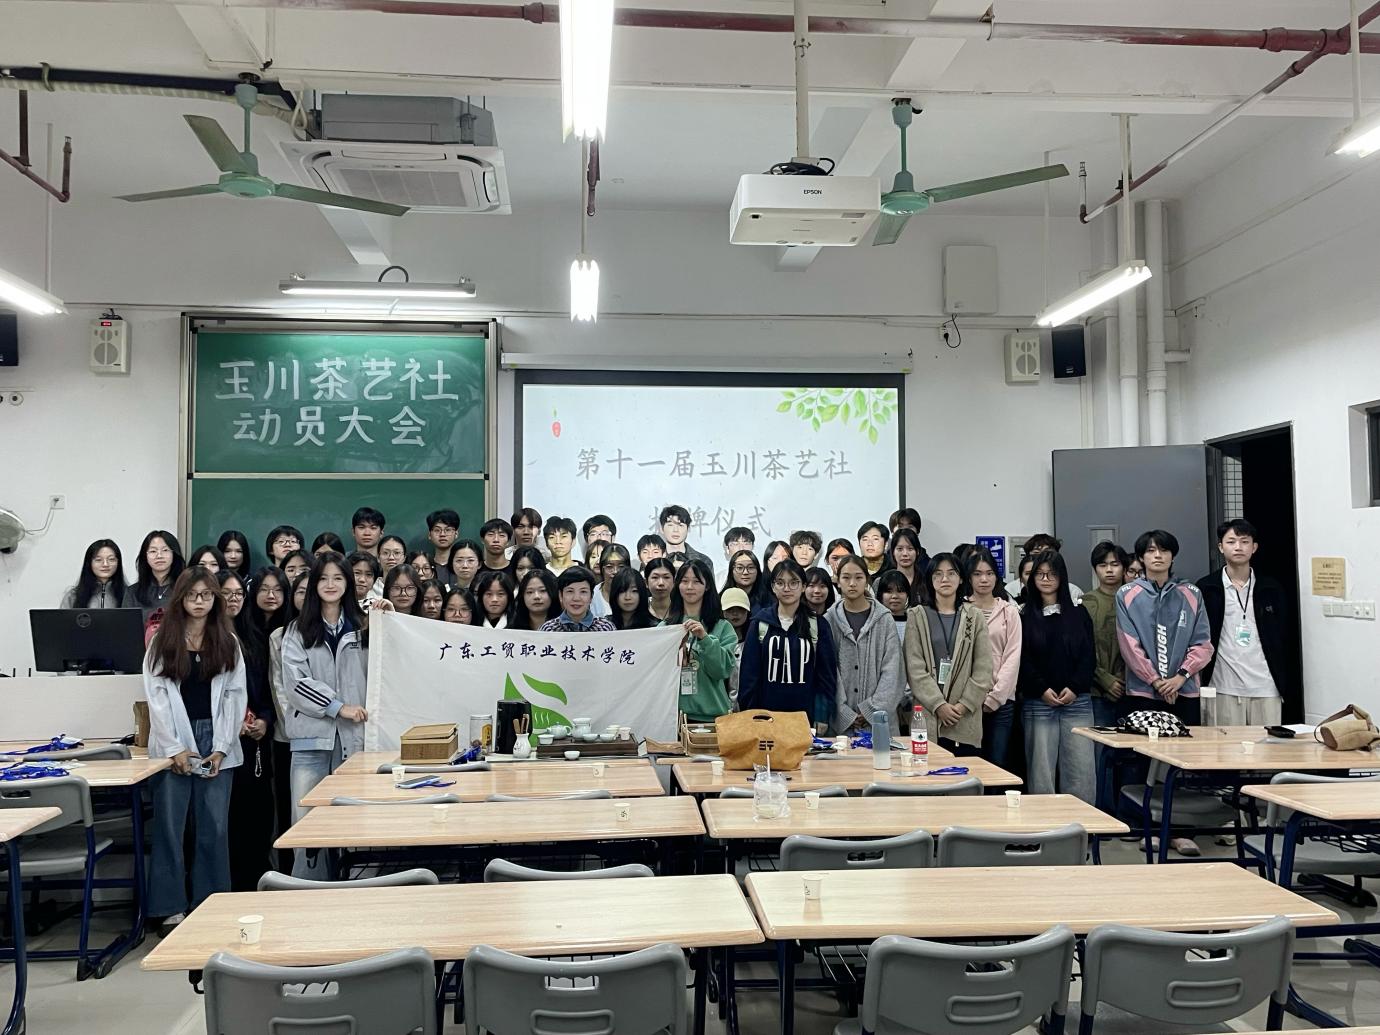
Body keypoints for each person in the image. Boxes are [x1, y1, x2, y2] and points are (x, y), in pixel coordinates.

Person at [143, 567, 246, 928]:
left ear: (215, 599)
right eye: (192, 595)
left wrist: (222, 747)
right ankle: (169, 907)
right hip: (173, 739)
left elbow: (235, 696)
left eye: (206, 595)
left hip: (217, 739)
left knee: (213, 827)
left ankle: (210, 904)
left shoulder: (227, 642)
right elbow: (156, 697)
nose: (199, 602)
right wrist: (174, 749)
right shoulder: (163, 641)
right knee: (170, 828)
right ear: (181, 599)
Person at [279, 554, 373, 877]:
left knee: (356, 823)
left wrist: (386, 618)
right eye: (323, 578)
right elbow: (296, 684)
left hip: (355, 742)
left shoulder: (364, 626)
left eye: (338, 578)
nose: (330, 585)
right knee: (308, 826)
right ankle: (307, 892)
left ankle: (357, 891)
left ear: (349, 582)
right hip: (310, 741)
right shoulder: (297, 630)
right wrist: (337, 706)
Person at [1017, 550, 1096, 803]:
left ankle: (1083, 822)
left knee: (1081, 770)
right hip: (1038, 702)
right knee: (1041, 772)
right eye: (1040, 574)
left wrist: (1074, 687)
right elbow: (1023, 659)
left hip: (1078, 701)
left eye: (1052, 574)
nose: (1046, 579)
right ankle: (1045, 823)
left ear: (1062, 577)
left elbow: (1088, 657)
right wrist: (1041, 689)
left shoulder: (1079, 614)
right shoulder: (1023, 616)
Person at [1196, 519, 1290, 726]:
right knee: (1225, 744)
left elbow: (1284, 636)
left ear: (1254, 547)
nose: (1238, 547)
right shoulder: (1206, 588)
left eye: (1244, 541)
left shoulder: (1271, 588)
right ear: (1221, 547)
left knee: (1267, 744)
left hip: (1266, 685)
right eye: (1231, 542)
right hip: (1222, 685)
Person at [1116, 529, 1214, 725]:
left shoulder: (1192, 593)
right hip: (1143, 691)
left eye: (1164, 550)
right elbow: (1129, 646)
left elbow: (1203, 644)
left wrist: (1180, 677)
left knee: (1186, 743)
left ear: (1172, 556)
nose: (1158, 555)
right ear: (1141, 558)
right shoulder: (1126, 594)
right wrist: (1155, 680)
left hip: (1184, 690)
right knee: (1143, 744)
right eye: (1151, 551)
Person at [218, 569, 276, 892]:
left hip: (255, 741)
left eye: (238, 594)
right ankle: (231, 883)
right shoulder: (206, 637)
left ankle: (257, 880)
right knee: (229, 815)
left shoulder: (253, 636)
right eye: (226, 594)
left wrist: (264, 720)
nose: (233, 600)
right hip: (222, 742)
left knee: (258, 812)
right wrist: (232, 723)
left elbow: (266, 690)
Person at [903, 553, 993, 755]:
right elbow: (914, 668)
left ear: (961, 579)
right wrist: (939, 705)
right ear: (930, 579)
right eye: (938, 574)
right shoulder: (917, 616)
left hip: (964, 716)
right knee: (927, 771)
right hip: (928, 714)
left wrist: (963, 705)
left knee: (965, 772)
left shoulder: (974, 616)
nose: (945, 579)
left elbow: (984, 668)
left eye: (951, 573)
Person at [738, 558, 838, 732]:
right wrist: (750, 715)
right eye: (780, 583)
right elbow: (749, 677)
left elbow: (826, 676)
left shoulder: (817, 625)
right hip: (765, 719)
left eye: (793, 583)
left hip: (805, 719)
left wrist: (822, 715)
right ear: (773, 587)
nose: (787, 588)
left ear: (803, 586)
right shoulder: (760, 623)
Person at [828, 554, 903, 732]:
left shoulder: (884, 619)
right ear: (837, 581)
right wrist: (844, 713)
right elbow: (827, 673)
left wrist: (871, 710)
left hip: (880, 724)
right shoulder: (828, 620)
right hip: (840, 728)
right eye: (846, 578)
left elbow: (894, 671)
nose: (852, 583)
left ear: (867, 580)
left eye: (858, 577)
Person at [965, 546, 1022, 767]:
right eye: (977, 574)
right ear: (969, 577)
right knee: (969, 764)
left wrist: (995, 697)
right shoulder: (961, 610)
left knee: (997, 764)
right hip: (966, 702)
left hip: (1001, 702)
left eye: (989, 573)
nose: (984, 579)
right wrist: (969, 697)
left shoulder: (1009, 611)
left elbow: (1012, 657)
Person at [254, 565, 295, 874]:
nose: (271, 595)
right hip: (259, 724)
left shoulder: (290, 631)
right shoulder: (246, 628)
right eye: (264, 589)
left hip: (283, 727)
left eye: (278, 589)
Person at [666, 559, 738, 725]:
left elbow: (721, 671)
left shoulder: (723, 627)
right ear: (677, 585)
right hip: (673, 718)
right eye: (684, 581)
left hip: (713, 718)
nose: (690, 587)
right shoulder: (666, 628)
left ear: (707, 586)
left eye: (697, 581)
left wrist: (704, 639)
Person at [1080, 541, 1128, 729]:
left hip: (1133, 687)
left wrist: (1124, 677)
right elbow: (1081, 648)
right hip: (1096, 690)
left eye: (1115, 564)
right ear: (1095, 569)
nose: (1109, 570)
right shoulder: (1084, 603)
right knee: (1100, 743)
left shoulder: (1136, 599)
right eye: (1102, 565)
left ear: (1124, 568)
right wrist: (1105, 680)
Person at [125, 530, 186, 621]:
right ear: (145, 556)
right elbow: (126, 625)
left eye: (165, 550)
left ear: (174, 554)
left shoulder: (185, 589)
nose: (159, 555)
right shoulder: (132, 592)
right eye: (153, 551)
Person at [1006, 535, 1084, 603]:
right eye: (1036, 553)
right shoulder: (1011, 589)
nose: (1042, 558)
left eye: (1048, 553)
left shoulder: (1073, 591)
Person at [540, 566, 617, 632]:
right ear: (561, 595)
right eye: (570, 591)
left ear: (591, 596)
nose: (576, 598)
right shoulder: (549, 629)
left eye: (583, 592)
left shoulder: (605, 628)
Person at [61, 539, 128, 608]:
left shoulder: (129, 594)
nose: (105, 564)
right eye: (98, 560)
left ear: (118, 563)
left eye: (111, 559)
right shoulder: (73, 596)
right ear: (89, 563)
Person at [660, 505, 714, 576]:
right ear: (662, 529)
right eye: (670, 525)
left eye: (680, 525)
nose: (675, 530)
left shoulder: (703, 561)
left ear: (688, 529)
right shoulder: (654, 558)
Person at [720, 586, 752, 703]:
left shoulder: (755, 641)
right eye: (730, 609)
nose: (735, 613)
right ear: (723, 612)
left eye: (740, 609)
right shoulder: (715, 641)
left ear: (747, 611)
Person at [882, 527, 925, 603]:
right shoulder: (883, 581)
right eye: (900, 549)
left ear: (917, 551)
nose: (905, 554)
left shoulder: (926, 582)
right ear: (893, 552)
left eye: (910, 549)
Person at [593, 543, 631, 619]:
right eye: (609, 566)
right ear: (602, 569)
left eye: (621, 566)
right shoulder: (592, 595)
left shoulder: (634, 594)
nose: (615, 571)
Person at [643, 556, 677, 623]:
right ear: (646, 582)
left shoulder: (682, 609)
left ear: (674, 582)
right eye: (655, 577)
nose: (661, 583)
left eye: (666, 577)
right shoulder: (639, 609)